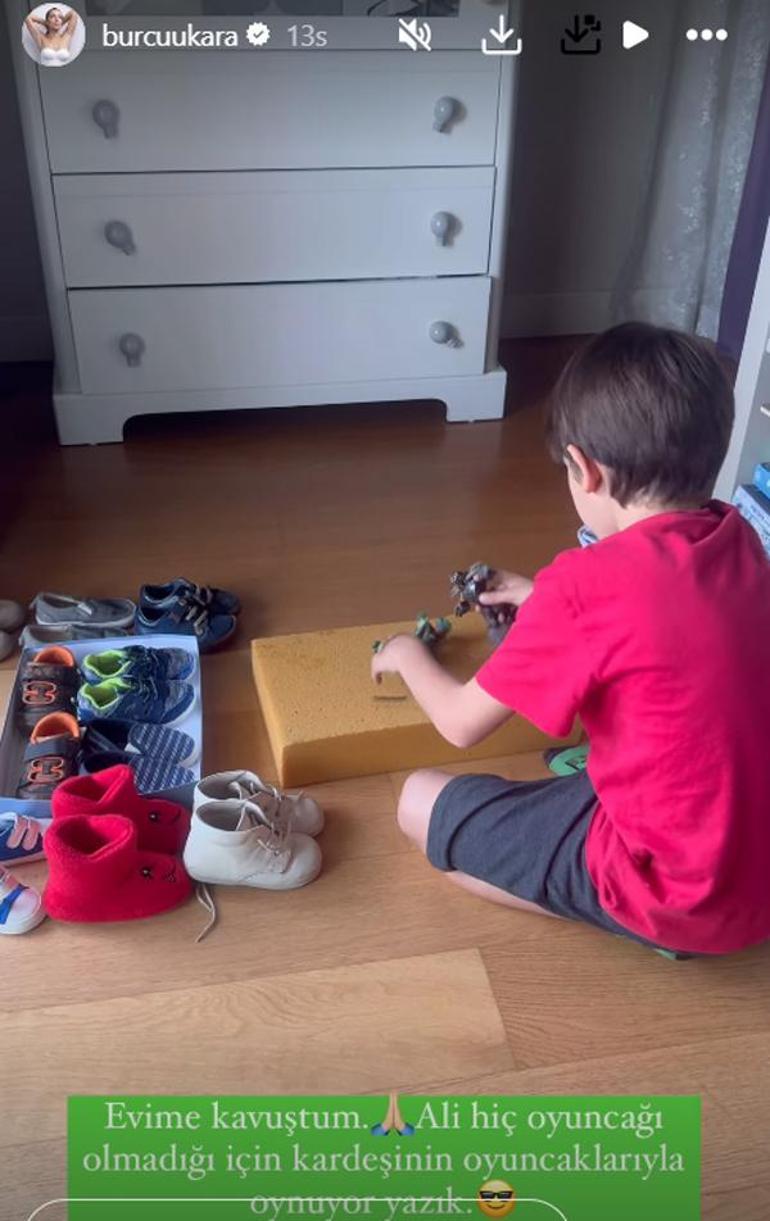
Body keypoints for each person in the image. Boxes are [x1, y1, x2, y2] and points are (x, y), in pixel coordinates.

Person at [372, 322, 770, 957]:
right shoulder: (739, 537)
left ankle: (635, 920)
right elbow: (661, 624)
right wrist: (542, 602)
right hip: (755, 863)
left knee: (418, 803)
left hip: (680, 896)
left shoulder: (583, 587)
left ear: (584, 469)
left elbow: (459, 723)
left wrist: (405, 653)